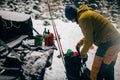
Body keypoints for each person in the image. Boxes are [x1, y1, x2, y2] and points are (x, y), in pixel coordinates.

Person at [65, 4, 120, 80]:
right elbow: (90, 35)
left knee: (95, 73)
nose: (72, 21)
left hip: (108, 43)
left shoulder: (83, 18)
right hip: (116, 42)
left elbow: (89, 40)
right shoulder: (86, 14)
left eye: (71, 19)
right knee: (108, 70)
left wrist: (82, 54)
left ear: (73, 16)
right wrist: (80, 43)